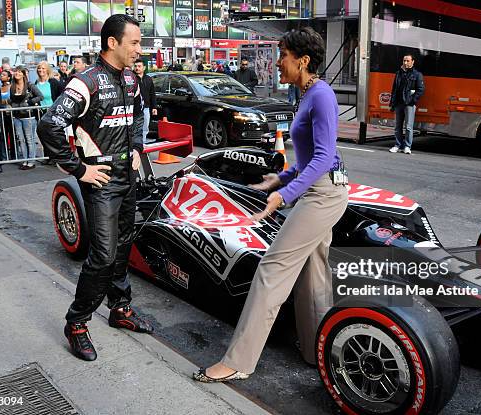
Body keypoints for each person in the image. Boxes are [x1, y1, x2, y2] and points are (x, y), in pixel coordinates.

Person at [194, 27, 348, 383]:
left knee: (271, 270)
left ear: (303, 60)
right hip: (319, 190)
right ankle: (317, 351)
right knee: (314, 276)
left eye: (283, 55)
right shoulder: (308, 93)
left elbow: (326, 156)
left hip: (323, 196)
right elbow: (310, 155)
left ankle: (239, 361)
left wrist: (284, 195)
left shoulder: (321, 95)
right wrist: (280, 178)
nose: (278, 63)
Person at [37, 14, 153, 362]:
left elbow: (135, 117)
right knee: (102, 255)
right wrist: (78, 169)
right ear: (112, 43)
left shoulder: (131, 78)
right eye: (134, 42)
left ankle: (120, 309)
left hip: (127, 176)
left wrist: (136, 149)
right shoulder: (84, 81)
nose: (139, 48)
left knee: (123, 247)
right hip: (100, 180)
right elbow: (49, 126)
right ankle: (76, 323)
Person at [388, 54, 424, 154]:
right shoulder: (398, 73)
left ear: (413, 62)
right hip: (398, 103)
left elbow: (420, 90)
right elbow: (394, 89)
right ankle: (398, 145)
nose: (405, 63)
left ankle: (407, 146)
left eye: (408, 61)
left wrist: (412, 101)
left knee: (408, 127)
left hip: (409, 104)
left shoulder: (417, 74)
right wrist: (392, 103)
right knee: (397, 126)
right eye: (404, 61)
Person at [9, 66, 43, 170]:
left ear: (23, 74)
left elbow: (40, 96)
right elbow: (11, 99)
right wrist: (12, 104)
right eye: (16, 72)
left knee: (29, 139)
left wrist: (29, 102)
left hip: (28, 117)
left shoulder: (30, 85)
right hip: (16, 116)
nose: (17, 74)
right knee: (21, 140)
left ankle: (31, 161)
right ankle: (25, 160)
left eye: (19, 72)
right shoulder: (12, 86)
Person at [133, 59, 157, 144]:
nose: (137, 68)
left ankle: (142, 144)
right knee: (135, 127)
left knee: (145, 127)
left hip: (146, 107)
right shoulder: (132, 78)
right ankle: (134, 146)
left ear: (144, 67)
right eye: (135, 66)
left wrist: (154, 107)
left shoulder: (148, 79)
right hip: (134, 108)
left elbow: (152, 93)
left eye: (139, 66)